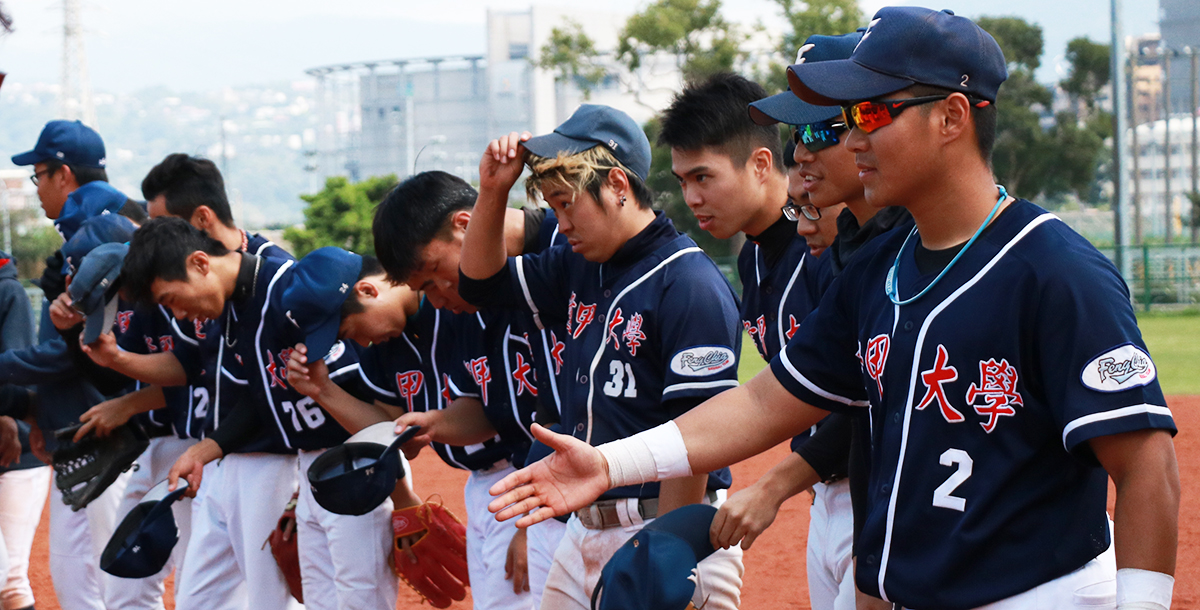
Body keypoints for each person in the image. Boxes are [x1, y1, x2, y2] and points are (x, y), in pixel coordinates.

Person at [487, 8, 1180, 610]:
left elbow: (1147, 466)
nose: (850, 140)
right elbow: (763, 404)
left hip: (1043, 593)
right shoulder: (875, 272)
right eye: (845, 120)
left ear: (951, 117)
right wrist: (611, 464)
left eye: (872, 114)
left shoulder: (1056, 270)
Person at [458, 104, 746, 609]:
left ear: (618, 184)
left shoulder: (688, 283)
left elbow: (700, 439)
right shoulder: (578, 265)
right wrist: (492, 191)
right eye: (553, 206)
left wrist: (667, 555)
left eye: (567, 204)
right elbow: (479, 283)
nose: (559, 222)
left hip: (667, 527)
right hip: (586, 528)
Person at [74, 153, 293, 610]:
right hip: (221, 453)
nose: (152, 233)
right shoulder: (213, 291)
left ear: (200, 221)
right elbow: (189, 365)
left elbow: (276, 389)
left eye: (163, 222)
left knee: (272, 597)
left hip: (272, 456)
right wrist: (117, 358)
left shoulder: (274, 276)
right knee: (200, 598)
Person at [371, 170, 559, 609]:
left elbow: (570, 410)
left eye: (436, 276)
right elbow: (486, 406)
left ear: (465, 226)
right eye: (423, 289)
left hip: (566, 494)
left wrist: (530, 523)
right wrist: (434, 424)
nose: (436, 299)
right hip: (519, 493)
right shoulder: (463, 309)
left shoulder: (558, 263)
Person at [6, 120, 137, 610]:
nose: (36, 186)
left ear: (63, 175)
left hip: (110, 435)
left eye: (39, 174)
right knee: (73, 572)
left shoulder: (101, 243)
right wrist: (42, 410)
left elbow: (75, 351)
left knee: (116, 574)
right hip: (74, 433)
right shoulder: (80, 241)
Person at [0, 249, 49, 610]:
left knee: (11, 577)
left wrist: (6, 419)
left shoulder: (8, 290)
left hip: (16, 451)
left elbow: (14, 367)